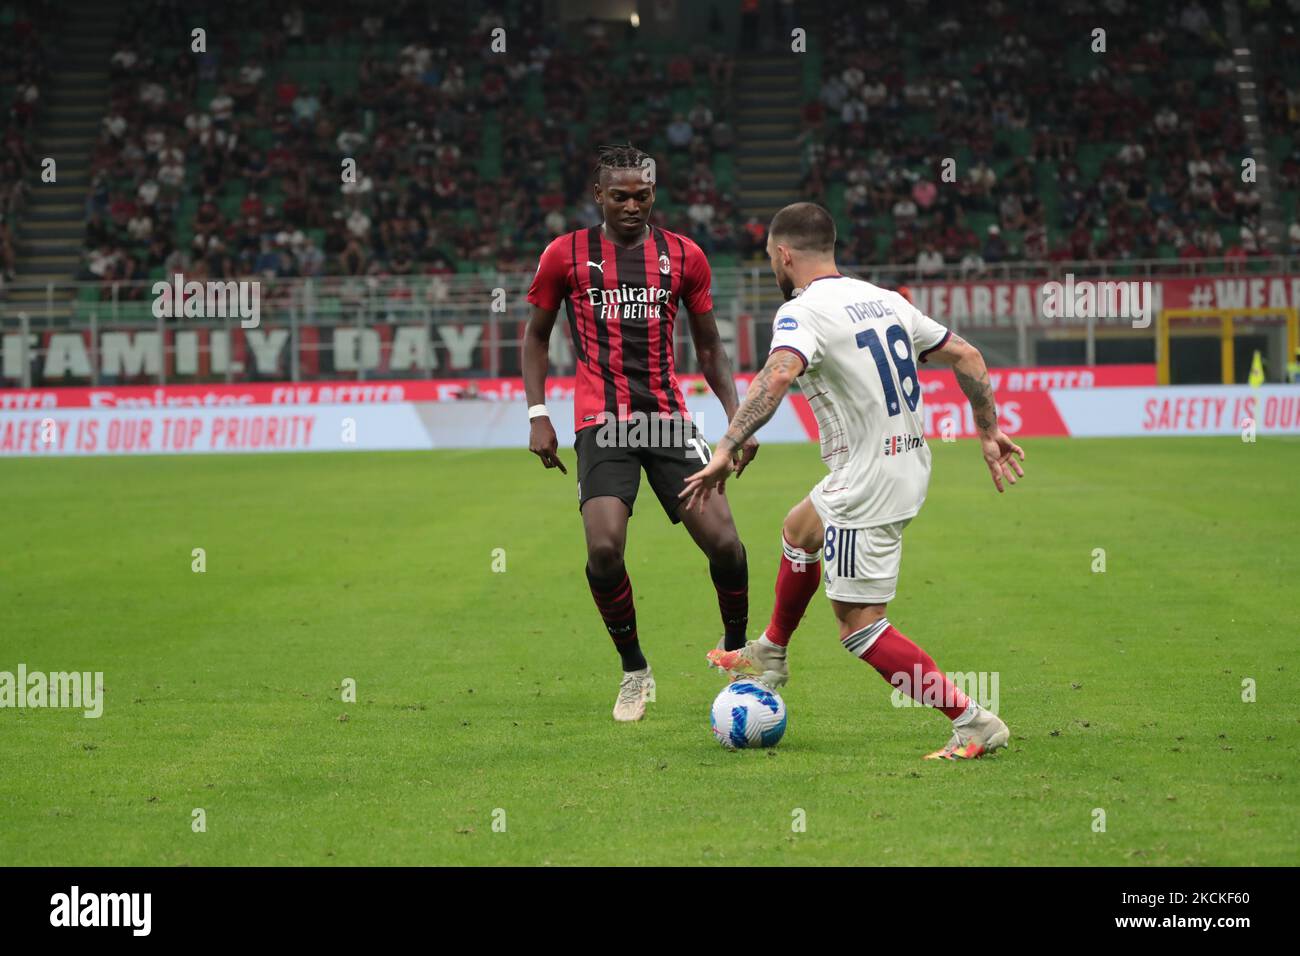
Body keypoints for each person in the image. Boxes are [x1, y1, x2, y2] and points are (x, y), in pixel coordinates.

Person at [681, 202, 1024, 759]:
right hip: (899, 462)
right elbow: (967, 354)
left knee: (859, 629)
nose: (773, 263)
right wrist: (988, 430)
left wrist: (727, 445)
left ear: (784, 254)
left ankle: (973, 721)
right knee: (799, 531)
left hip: (869, 482)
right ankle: (772, 650)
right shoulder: (885, 300)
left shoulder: (802, 310)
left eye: (771, 256)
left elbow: (779, 373)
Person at [523, 145, 758, 722]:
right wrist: (537, 413)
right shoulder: (564, 255)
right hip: (601, 422)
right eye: (620, 196)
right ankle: (634, 671)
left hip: (668, 420)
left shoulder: (683, 256)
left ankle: (738, 654)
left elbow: (709, 346)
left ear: (654, 193)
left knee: (725, 544)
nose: (632, 206)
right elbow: (535, 337)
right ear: (599, 195)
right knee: (603, 550)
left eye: (643, 195)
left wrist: (738, 417)